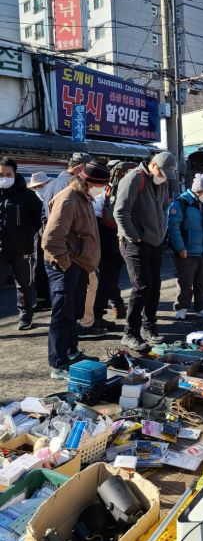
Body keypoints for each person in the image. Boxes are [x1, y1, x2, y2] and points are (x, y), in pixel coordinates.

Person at [42, 161, 110, 378]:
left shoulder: (84, 197)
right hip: (65, 265)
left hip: (78, 264)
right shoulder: (69, 198)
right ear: (90, 182)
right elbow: (51, 239)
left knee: (73, 313)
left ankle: (71, 353)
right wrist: (66, 263)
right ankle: (58, 363)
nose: (102, 189)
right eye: (101, 185)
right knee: (62, 315)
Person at [114, 151, 176, 351]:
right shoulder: (134, 178)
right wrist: (135, 235)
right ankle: (130, 333)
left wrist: (161, 231)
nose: (165, 178)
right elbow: (120, 211)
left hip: (155, 241)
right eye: (163, 173)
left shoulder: (162, 182)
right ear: (153, 166)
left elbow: (163, 207)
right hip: (134, 242)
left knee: (154, 286)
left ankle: (149, 327)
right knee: (141, 286)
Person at [0, 158, 43, 330]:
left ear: (15, 174)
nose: (4, 177)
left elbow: (39, 219)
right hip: (0, 249)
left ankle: (25, 317)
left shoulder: (28, 196)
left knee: (24, 284)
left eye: (7, 174)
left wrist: (28, 236)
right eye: (1, 174)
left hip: (21, 249)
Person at [167, 173, 203, 321]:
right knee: (185, 282)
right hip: (186, 252)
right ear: (196, 190)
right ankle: (181, 307)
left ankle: (202, 307)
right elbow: (173, 227)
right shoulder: (180, 203)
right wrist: (180, 247)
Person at [93, 162, 136, 324]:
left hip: (99, 231)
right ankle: (97, 314)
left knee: (106, 275)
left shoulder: (104, 187)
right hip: (114, 234)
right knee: (109, 276)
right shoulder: (124, 186)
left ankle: (117, 306)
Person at [27, 171, 52, 312]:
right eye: (35, 187)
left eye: (39, 186)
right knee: (39, 268)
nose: (37, 189)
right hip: (39, 236)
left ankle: (49, 299)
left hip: (50, 236)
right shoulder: (35, 199)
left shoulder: (51, 194)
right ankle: (43, 299)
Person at [41, 153, 91, 218]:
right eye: (89, 169)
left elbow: (45, 214)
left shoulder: (50, 184)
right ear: (81, 167)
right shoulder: (75, 187)